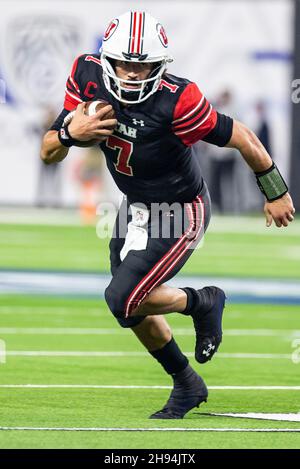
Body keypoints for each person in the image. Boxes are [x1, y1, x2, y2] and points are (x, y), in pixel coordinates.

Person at [40, 11, 295, 419]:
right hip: (135, 206)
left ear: (160, 67)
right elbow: (48, 152)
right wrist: (71, 134)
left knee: (122, 298)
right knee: (130, 305)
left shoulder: (179, 100)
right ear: (107, 60)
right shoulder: (86, 76)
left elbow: (243, 137)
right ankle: (186, 382)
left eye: (143, 65)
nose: (132, 75)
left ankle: (203, 302)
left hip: (180, 209)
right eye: (124, 63)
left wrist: (275, 191)